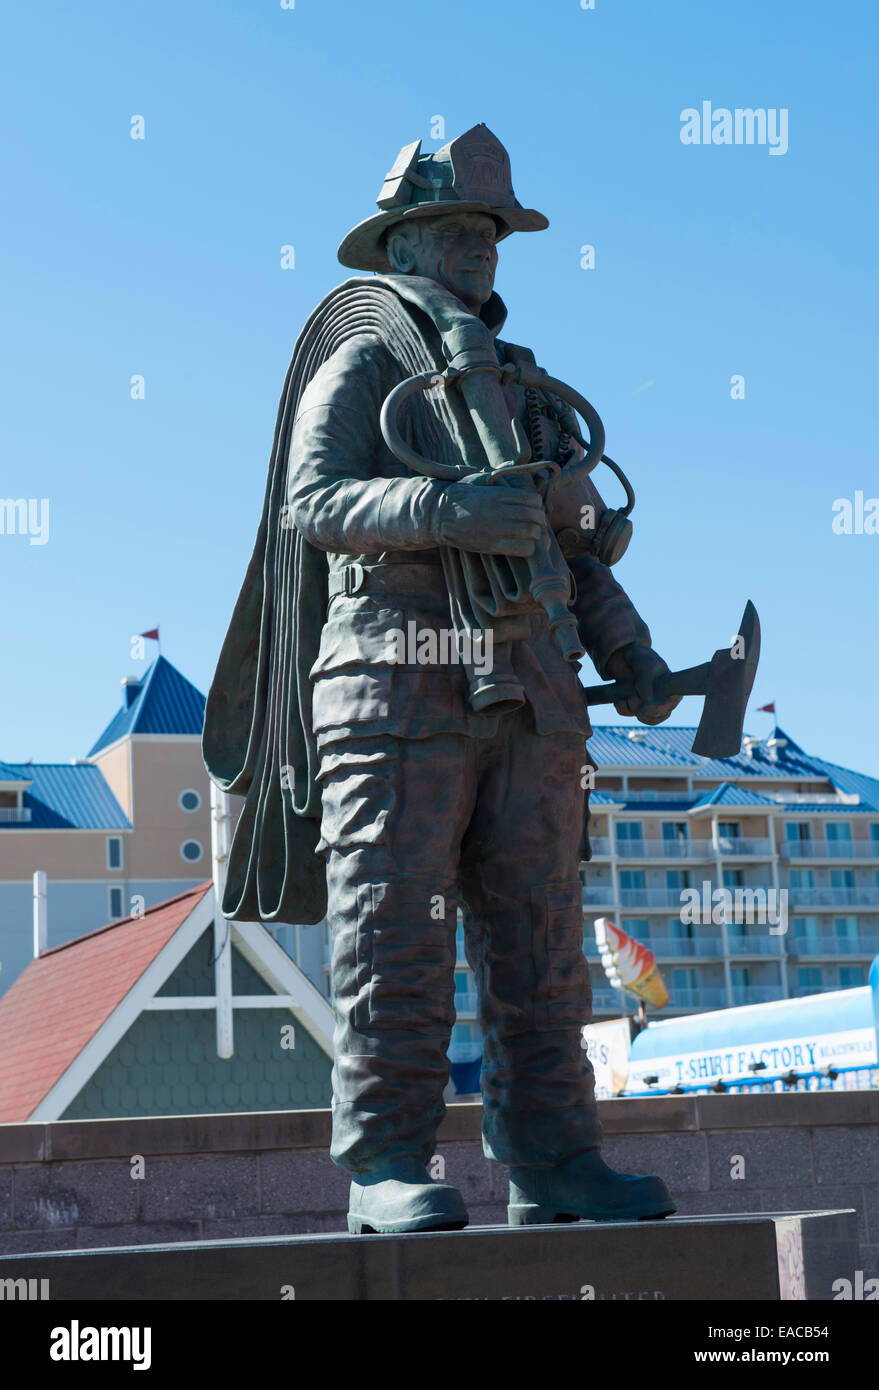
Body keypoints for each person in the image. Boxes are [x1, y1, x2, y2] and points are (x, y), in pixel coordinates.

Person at [204, 125, 680, 1234]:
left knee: (540, 940)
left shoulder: (526, 389)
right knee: (396, 938)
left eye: (493, 232)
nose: (480, 248)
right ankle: (385, 1167)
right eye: (458, 228)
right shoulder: (365, 359)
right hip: (394, 695)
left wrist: (637, 659)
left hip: (532, 698)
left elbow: (569, 547)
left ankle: (557, 1161)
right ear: (404, 240)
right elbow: (311, 503)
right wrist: (443, 509)